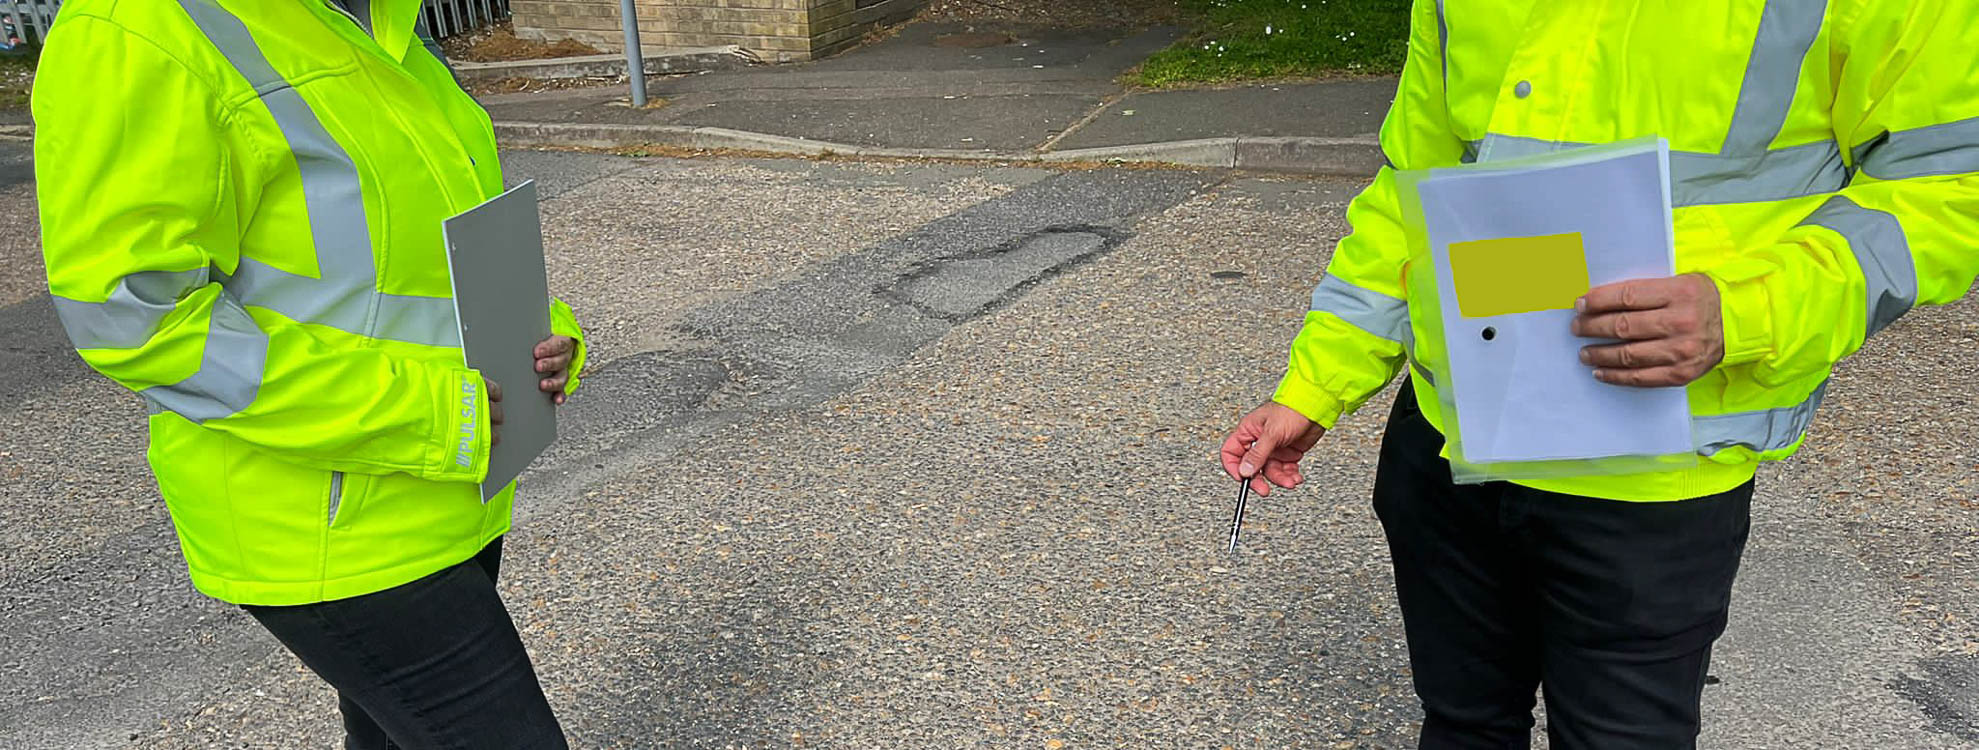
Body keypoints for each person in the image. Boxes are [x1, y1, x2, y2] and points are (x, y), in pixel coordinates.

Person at [1222, 1, 1979, 748]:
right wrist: (1316, 384)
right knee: (1462, 725)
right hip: (1449, 437)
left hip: (1651, 473)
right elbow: (1414, 187)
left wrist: (1744, 310)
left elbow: (1945, 191)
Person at [35, 1, 587, 747]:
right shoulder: (136, 27)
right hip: (326, 518)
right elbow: (135, 320)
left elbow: (425, 242)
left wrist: (539, 330)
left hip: (451, 482)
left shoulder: (381, 19)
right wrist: (426, 412)